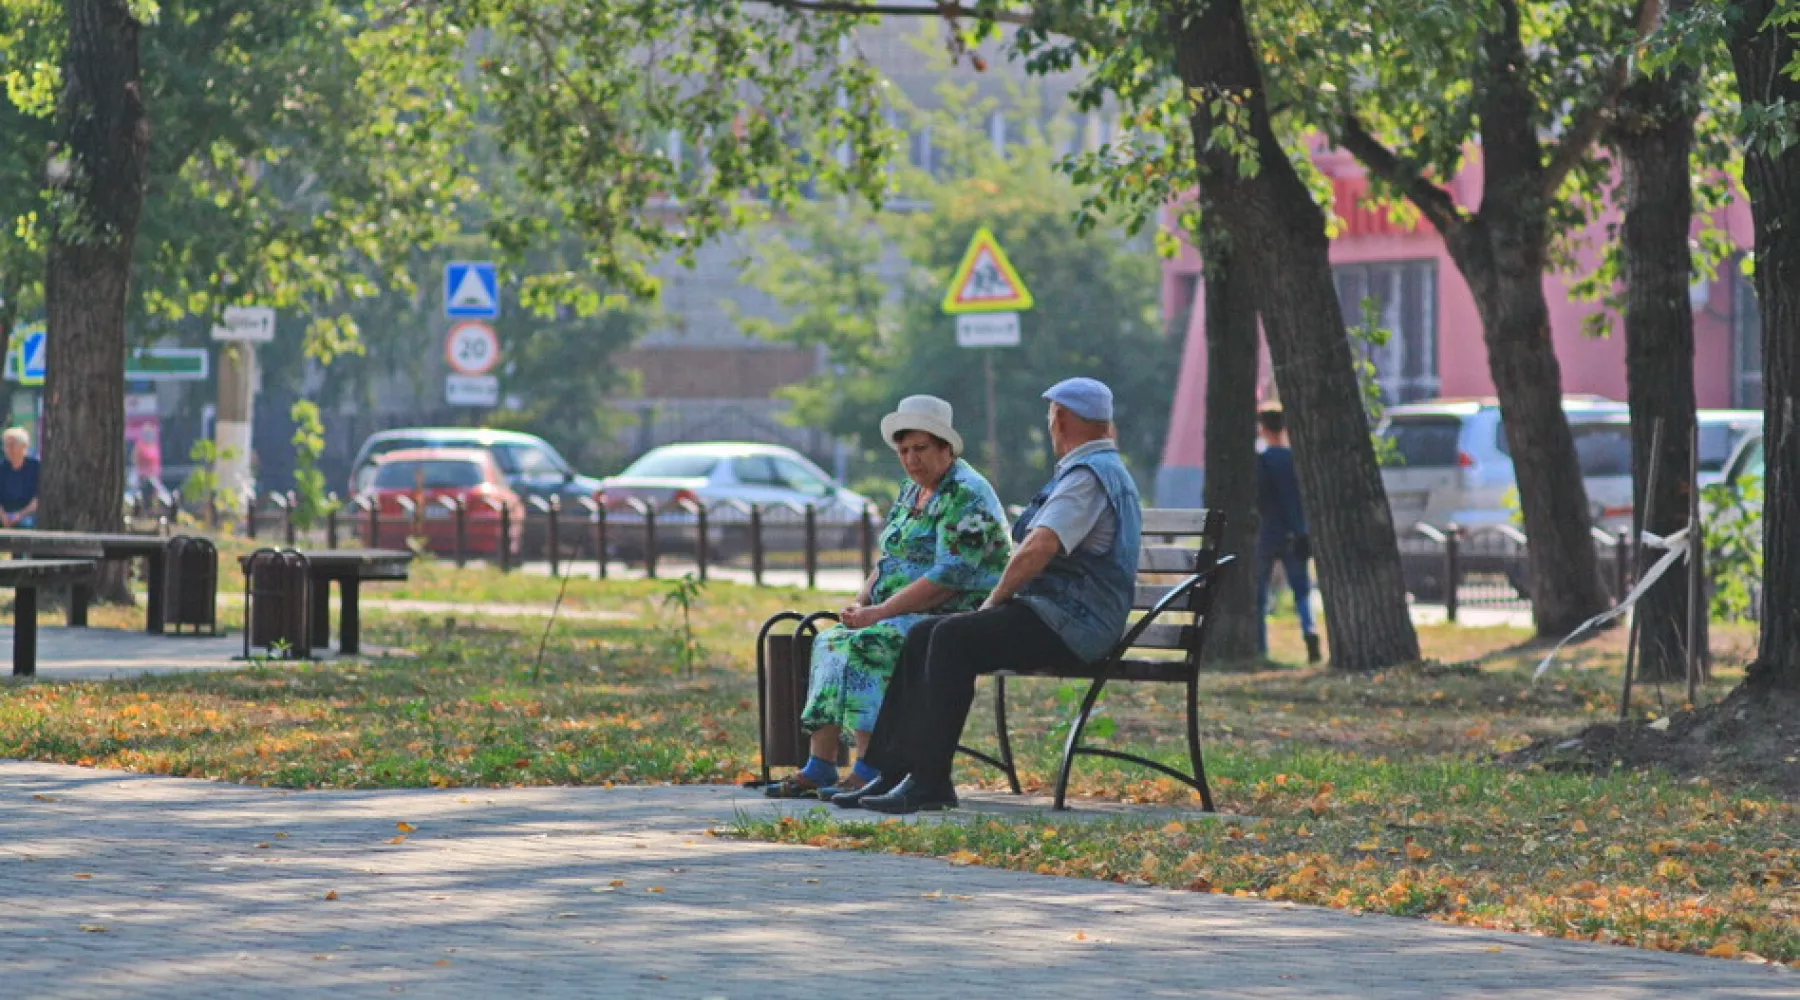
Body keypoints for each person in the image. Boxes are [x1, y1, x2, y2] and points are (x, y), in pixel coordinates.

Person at [838, 377, 1142, 815]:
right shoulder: (1094, 470)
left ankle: (930, 781)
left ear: (1061, 418)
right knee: (926, 633)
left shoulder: (1089, 476)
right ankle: (890, 768)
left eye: (1050, 417)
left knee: (951, 638)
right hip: (1060, 614)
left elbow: (1039, 547)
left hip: (1074, 623)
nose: (1049, 426)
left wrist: (994, 602)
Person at [763, 395, 1012, 799]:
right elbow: (890, 558)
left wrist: (880, 613)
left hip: (951, 617)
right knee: (830, 640)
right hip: (893, 611)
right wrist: (862, 602)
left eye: (921, 449)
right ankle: (821, 765)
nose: (911, 460)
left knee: (871, 644)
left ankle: (869, 768)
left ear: (946, 448)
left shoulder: (966, 494)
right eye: (904, 451)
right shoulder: (911, 490)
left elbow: (946, 580)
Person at [1255, 405, 1321, 663]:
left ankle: (1260, 645)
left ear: (1263, 428)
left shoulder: (1262, 460)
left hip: (1268, 532)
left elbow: (1259, 497)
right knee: (1302, 590)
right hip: (1296, 533)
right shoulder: (1296, 460)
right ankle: (1310, 631)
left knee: (1259, 592)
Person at [0, 427, 40, 529]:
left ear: (24, 447)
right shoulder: (2, 468)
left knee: (28, 524)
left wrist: (20, 515)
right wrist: (3, 516)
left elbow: (39, 498)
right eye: (6, 445)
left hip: (28, 513)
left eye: (12, 445)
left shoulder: (36, 467)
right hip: (5, 512)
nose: (8, 449)